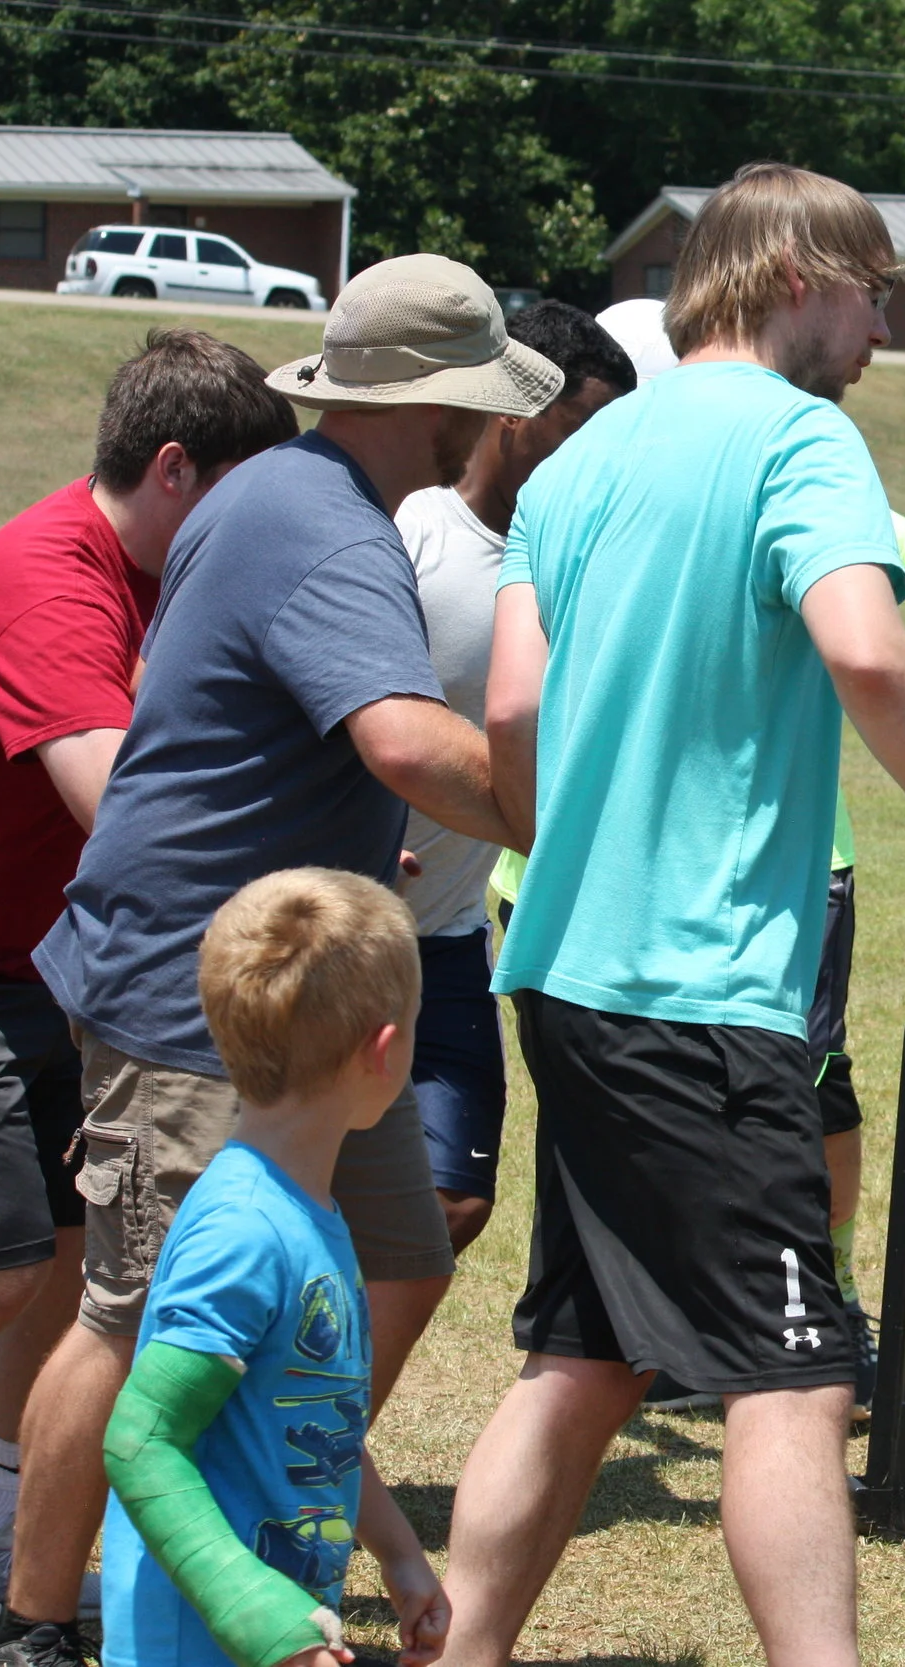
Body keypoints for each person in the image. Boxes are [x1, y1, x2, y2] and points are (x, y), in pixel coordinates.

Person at [433, 164, 905, 1667]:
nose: (885, 325)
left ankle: (456, 1647)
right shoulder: (801, 437)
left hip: (564, 963)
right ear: (790, 281)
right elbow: (872, 653)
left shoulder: (575, 460)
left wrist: (560, 830)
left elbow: (514, 702)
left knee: (581, 1351)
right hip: (704, 991)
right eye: (873, 290)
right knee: (792, 1375)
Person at [0, 254, 549, 1667]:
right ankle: (33, 1619)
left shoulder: (290, 496)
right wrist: (567, 817)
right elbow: (406, 739)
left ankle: (264, 1499)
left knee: (400, 1260)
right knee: (134, 1314)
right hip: (197, 989)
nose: (502, 434)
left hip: (290, 981)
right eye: (489, 407)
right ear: (443, 408)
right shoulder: (329, 524)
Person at [588, 297, 905, 1420]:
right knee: (662, 1118)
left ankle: (815, 1307)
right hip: (610, 873)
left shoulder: (768, 470)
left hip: (770, 866)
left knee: (796, 1096)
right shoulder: (585, 484)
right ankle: (687, 1326)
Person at [0, 331, 297, 1625]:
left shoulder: (128, 566)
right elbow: (124, 807)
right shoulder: (53, 587)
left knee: (73, 1248)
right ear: (174, 470)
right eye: (240, 495)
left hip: (18, 953)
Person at [98, 869, 446, 1667]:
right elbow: (141, 1439)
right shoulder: (246, 1231)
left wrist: (396, 1551)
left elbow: (316, 1416)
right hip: (194, 1642)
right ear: (384, 1050)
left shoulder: (304, 1209)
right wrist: (248, 1604)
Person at [394, 300, 636, 1255]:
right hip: (339, 919)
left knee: (453, 1201)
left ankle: (301, 1389)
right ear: (511, 409)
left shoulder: (582, 567)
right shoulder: (411, 534)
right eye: (581, 427)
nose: (599, 459)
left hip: (452, 938)